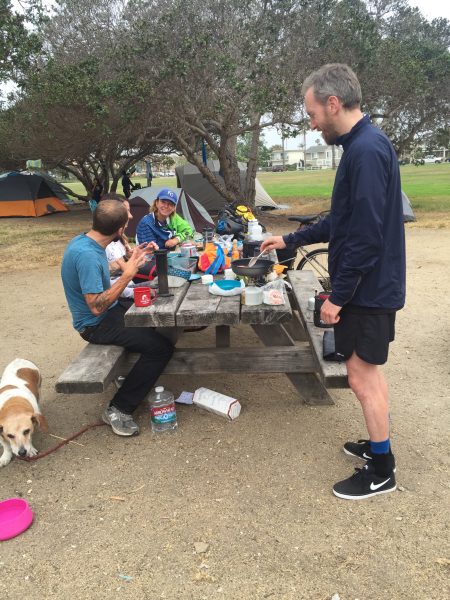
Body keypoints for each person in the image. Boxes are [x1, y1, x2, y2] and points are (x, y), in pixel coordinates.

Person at [261, 63, 406, 500]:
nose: (311, 123)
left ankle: (382, 470)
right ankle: (378, 449)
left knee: (362, 377)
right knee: (368, 372)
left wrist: (337, 298)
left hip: (368, 289)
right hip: (370, 286)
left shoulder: (366, 151)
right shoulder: (361, 146)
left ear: (332, 103)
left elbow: (364, 238)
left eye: (311, 114)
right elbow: (342, 222)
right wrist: (289, 237)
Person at [61, 199, 174, 437]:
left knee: (153, 318)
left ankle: (128, 377)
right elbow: (96, 307)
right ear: (120, 229)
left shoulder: (86, 242)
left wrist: (130, 263)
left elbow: (101, 277)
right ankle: (119, 408)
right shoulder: (88, 255)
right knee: (160, 348)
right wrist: (128, 274)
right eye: (127, 220)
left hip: (109, 312)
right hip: (95, 324)